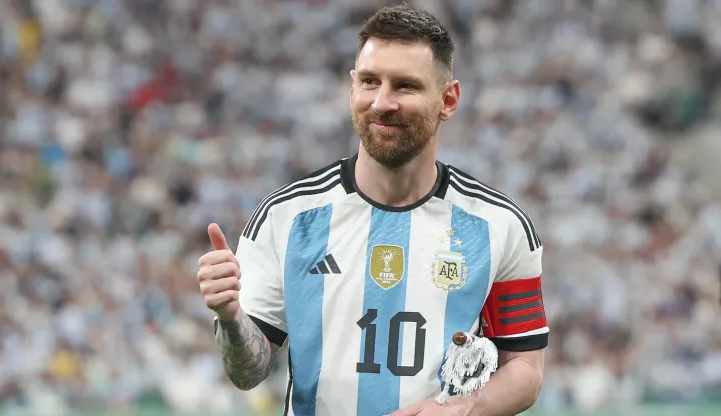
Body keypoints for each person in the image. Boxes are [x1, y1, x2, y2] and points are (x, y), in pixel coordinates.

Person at [196, 4, 548, 416]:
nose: (383, 102)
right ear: (352, 89)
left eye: (405, 86)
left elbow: (525, 367)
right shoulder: (286, 216)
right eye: (369, 81)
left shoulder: (499, 226)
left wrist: (462, 409)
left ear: (448, 99)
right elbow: (247, 373)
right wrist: (232, 317)